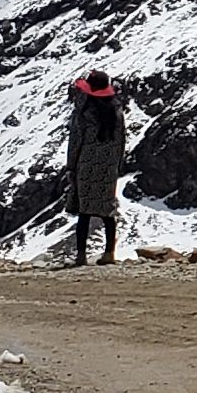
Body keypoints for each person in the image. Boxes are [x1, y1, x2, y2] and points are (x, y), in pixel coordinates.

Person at [66, 68, 130, 264]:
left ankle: (81, 255)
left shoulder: (84, 113)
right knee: (107, 210)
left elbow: (76, 140)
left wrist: (71, 165)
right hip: (109, 166)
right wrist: (116, 165)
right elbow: (121, 142)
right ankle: (109, 253)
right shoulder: (117, 113)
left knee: (84, 211)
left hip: (86, 163)